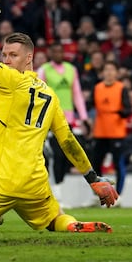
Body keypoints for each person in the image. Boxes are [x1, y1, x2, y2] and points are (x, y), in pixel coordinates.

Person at [0, 0, 118, 233]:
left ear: (29, 58)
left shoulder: (8, 78)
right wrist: (93, 178)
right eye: (4, 55)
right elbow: (68, 141)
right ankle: (71, 224)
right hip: (35, 185)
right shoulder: (51, 96)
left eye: (13, 55)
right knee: (55, 218)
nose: (6, 60)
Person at [36, 42, 90, 187]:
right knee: (56, 155)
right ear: (50, 54)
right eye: (55, 52)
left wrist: (83, 117)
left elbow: (77, 95)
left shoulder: (71, 69)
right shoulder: (44, 70)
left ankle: (59, 186)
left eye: (60, 52)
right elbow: (39, 95)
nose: (58, 54)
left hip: (68, 120)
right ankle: (54, 188)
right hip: (50, 119)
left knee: (69, 154)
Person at [90, 60, 131, 195]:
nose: (109, 73)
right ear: (102, 73)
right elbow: (90, 105)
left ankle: (118, 194)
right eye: (106, 70)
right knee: (96, 166)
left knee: (119, 165)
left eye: (112, 70)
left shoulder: (121, 88)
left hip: (116, 132)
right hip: (100, 132)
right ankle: (100, 194)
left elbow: (128, 109)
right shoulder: (97, 88)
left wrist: (119, 112)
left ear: (117, 73)